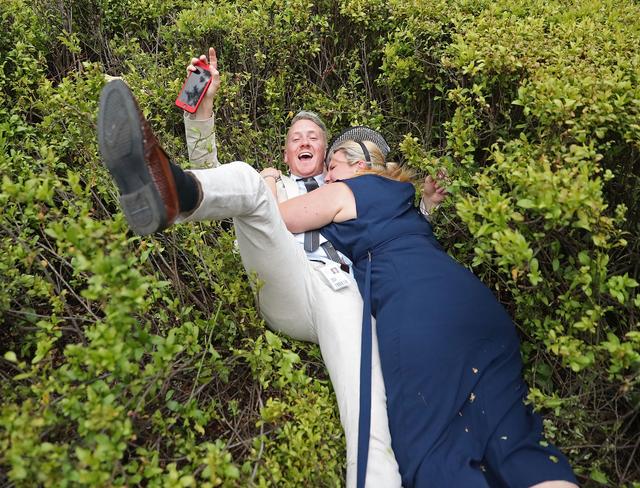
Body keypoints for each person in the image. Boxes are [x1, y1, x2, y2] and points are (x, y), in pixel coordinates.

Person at [96, 48, 445, 486]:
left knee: (368, 416)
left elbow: (392, 235)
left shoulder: (350, 185)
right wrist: (200, 115)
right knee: (243, 179)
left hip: (345, 293)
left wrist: (426, 209)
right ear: (285, 151)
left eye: (314, 137)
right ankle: (164, 191)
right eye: (296, 136)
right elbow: (212, 177)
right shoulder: (274, 184)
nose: (304, 141)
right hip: (288, 279)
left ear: (328, 151)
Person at [267, 136, 580, 488]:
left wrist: (267, 180)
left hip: (415, 312)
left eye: (332, 166)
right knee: (517, 445)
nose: (327, 176)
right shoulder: (397, 195)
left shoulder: (345, 189)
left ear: (357, 165)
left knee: (435, 454)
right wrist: (429, 205)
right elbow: (406, 234)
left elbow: (276, 219)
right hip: (473, 305)